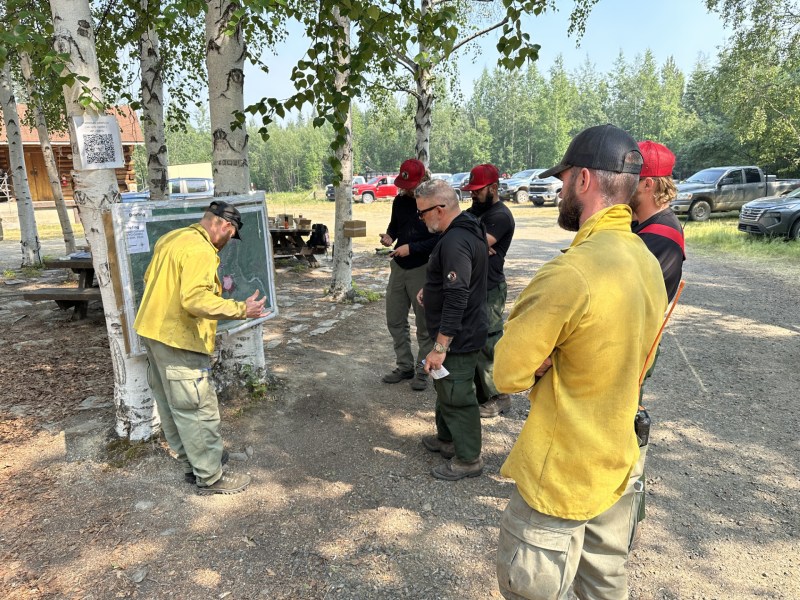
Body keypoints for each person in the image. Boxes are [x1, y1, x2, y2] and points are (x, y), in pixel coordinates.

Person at [493, 124, 668, 599]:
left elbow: (507, 373)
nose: (559, 188)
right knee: (605, 589)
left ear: (585, 181)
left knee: (531, 587)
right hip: (618, 463)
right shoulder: (646, 260)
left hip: (564, 474)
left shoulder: (570, 273)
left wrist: (547, 357)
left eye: (564, 178)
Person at [134, 200, 270, 495]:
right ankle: (210, 476)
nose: (229, 241)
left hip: (153, 331)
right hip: (179, 338)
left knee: (174, 405)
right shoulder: (202, 251)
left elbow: (149, 279)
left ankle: (193, 464)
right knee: (198, 408)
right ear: (222, 225)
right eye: (231, 234)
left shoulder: (173, 238)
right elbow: (194, 300)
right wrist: (240, 309)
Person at [416, 179, 488, 480]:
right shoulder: (467, 227)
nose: (421, 220)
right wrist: (430, 290)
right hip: (461, 332)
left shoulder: (457, 240)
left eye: (423, 213)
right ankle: (446, 440)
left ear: (441, 208)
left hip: (459, 338)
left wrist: (441, 346)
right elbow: (456, 282)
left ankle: (468, 459)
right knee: (445, 388)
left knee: (458, 395)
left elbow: (458, 295)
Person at [379, 159, 439, 391]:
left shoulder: (434, 204)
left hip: (422, 268)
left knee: (424, 325)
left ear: (423, 180)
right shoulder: (400, 201)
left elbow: (439, 239)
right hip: (399, 266)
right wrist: (389, 237)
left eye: (410, 185)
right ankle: (404, 366)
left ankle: (422, 371)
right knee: (394, 319)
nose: (405, 189)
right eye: (404, 184)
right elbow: (395, 226)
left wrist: (411, 248)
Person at [462, 163, 516, 418]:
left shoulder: (500, 216)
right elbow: (461, 240)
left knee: (489, 341)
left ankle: (499, 396)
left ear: (493, 188)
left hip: (491, 287)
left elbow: (470, 246)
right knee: (473, 337)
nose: (473, 194)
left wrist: (473, 245)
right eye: (471, 190)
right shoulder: (474, 211)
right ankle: (481, 391)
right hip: (473, 284)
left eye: (477, 190)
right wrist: (475, 245)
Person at [631, 140, 685, 301]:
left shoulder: (659, 238)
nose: (622, 187)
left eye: (628, 181)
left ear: (647, 184)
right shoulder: (643, 222)